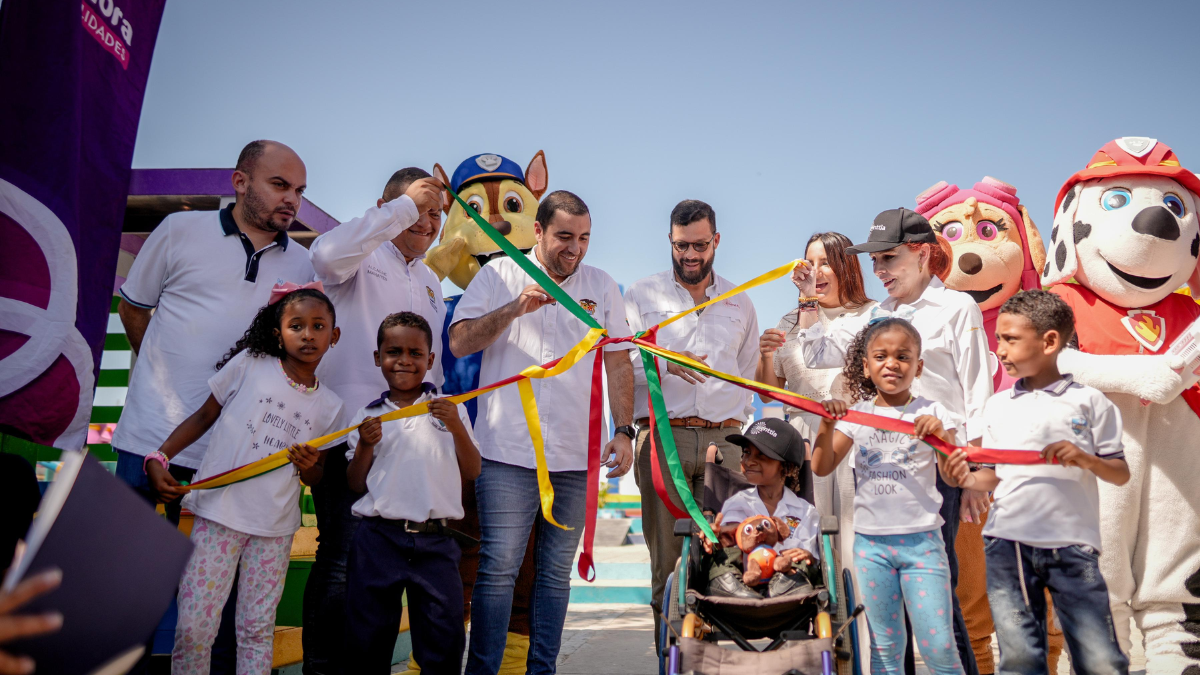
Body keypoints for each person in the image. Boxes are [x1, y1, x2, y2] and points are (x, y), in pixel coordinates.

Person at [114, 139, 314, 673]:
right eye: (280, 185)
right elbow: (135, 310)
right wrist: (165, 379)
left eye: (299, 190)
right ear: (240, 181)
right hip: (150, 440)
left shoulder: (303, 260)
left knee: (217, 612)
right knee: (130, 598)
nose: (291, 200)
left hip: (233, 459)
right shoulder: (181, 231)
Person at [794, 208, 990, 674]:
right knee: (885, 611)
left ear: (922, 254)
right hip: (878, 470)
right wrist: (807, 300)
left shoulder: (958, 308)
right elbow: (821, 361)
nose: (878, 271)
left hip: (940, 472)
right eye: (874, 261)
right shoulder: (877, 315)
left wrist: (979, 473)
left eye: (888, 259)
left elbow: (979, 391)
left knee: (943, 600)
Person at [448, 190, 635, 675]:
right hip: (506, 453)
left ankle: (542, 671)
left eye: (584, 238)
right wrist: (515, 308)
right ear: (539, 231)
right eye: (564, 237)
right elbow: (460, 342)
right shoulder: (498, 274)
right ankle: (482, 671)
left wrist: (624, 430)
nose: (574, 249)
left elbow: (617, 362)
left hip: (576, 456)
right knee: (498, 570)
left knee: (554, 575)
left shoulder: (603, 286)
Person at [145, 286, 344, 674]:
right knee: (194, 626)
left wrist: (309, 468)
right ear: (277, 332)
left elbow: (318, 476)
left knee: (255, 630)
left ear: (333, 336)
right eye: (296, 325)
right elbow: (204, 416)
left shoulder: (332, 408)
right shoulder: (250, 364)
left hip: (273, 530)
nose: (308, 334)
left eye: (319, 326)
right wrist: (159, 456)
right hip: (217, 517)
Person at [303, 168, 445, 675]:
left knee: (381, 572)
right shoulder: (359, 256)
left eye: (436, 211)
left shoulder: (431, 281)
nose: (428, 221)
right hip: (345, 440)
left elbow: (436, 370)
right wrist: (401, 209)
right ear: (385, 205)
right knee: (341, 559)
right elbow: (321, 255)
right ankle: (321, 670)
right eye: (418, 209)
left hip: (407, 450)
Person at [946, 291, 1130, 675]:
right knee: (1018, 657)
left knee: (1098, 656)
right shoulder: (998, 406)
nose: (1002, 351)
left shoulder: (1091, 403)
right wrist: (963, 475)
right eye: (998, 340)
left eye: (1010, 340)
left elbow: (1119, 472)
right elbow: (994, 474)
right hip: (1006, 545)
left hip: (1072, 545)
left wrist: (1085, 458)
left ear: (1049, 342)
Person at [622, 199, 759, 644]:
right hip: (664, 438)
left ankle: (716, 660)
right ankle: (670, 658)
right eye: (682, 246)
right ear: (670, 241)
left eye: (700, 244)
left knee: (727, 562)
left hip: (727, 441)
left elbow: (748, 372)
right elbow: (621, 364)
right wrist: (663, 363)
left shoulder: (741, 300)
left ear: (716, 240)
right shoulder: (640, 296)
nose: (691, 255)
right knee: (666, 563)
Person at [812, 318, 965, 675]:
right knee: (884, 647)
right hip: (871, 548)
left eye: (903, 356)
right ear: (866, 365)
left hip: (923, 545)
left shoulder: (934, 413)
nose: (891, 364)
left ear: (919, 366)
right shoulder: (857, 415)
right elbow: (821, 467)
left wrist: (940, 439)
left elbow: (953, 476)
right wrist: (826, 424)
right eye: (880, 356)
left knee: (939, 645)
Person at [343, 313, 480, 675]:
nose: (404, 360)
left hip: (436, 542)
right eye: (393, 351)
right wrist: (365, 448)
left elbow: (473, 470)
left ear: (430, 360)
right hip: (377, 540)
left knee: (443, 643)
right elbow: (355, 483)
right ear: (378, 358)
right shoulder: (367, 416)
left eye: (415, 353)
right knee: (367, 642)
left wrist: (455, 427)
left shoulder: (452, 410)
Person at [706, 418, 821, 598]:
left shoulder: (805, 511)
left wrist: (807, 554)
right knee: (724, 556)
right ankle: (731, 584)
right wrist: (716, 536)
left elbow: (812, 557)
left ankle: (780, 589)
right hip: (740, 584)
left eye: (761, 455)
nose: (749, 461)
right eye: (746, 453)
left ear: (788, 467)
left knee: (803, 561)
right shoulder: (737, 503)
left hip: (788, 583)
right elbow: (728, 541)